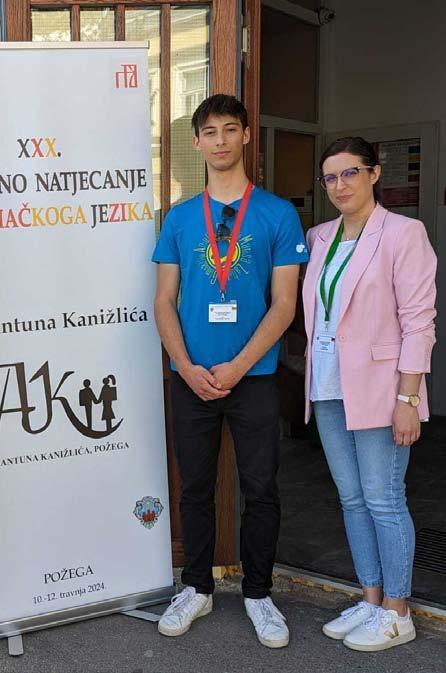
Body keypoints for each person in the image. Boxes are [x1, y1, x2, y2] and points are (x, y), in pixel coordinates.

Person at [152, 94, 308, 648]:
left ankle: (259, 593)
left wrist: (239, 367)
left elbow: (285, 305)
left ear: (245, 135)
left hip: (255, 378)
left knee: (260, 488)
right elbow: (163, 301)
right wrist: (185, 366)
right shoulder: (177, 218)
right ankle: (196, 587)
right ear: (197, 143)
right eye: (210, 132)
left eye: (229, 129)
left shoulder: (277, 214)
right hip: (192, 379)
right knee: (194, 487)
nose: (220, 140)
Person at [303, 137, 436, 652]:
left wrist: (408, 400)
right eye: (330, 177)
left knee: (383, 498)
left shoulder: (403, 233)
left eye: (350, 173)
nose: (340, 185)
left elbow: (418, 323)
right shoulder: (320, 237)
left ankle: (398, 612)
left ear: (374, 174)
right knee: (352, 498)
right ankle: (372, 598)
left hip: (382, 389)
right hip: (328, 385)